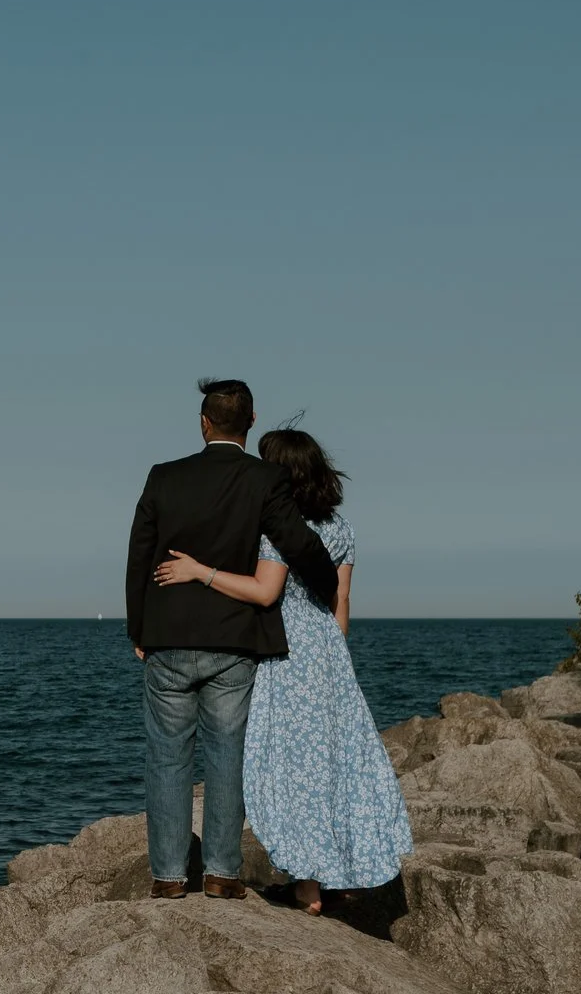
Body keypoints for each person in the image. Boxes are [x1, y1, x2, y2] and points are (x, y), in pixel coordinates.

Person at [152, 428, 411, 913]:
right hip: (330, 653)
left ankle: (308, 888)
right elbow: (342, 600)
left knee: (289, 770)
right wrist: (333, 658)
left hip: (285, 650)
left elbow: (265, 593)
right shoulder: (341, 527)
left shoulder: (278, 530)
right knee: (337, 765)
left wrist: (199, 572)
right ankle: (346, 874)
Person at [124, 382, 339, 899]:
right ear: (251, 421)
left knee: (167, 757)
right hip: (234, 640)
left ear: (203, 421)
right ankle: (221, 872)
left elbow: (139, 555)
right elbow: (298, 543)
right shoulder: (264, 479)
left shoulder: (163, 477)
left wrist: (139, 628)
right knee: (227, 756)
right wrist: (329, 588)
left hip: (169, 637)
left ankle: (169, 879)